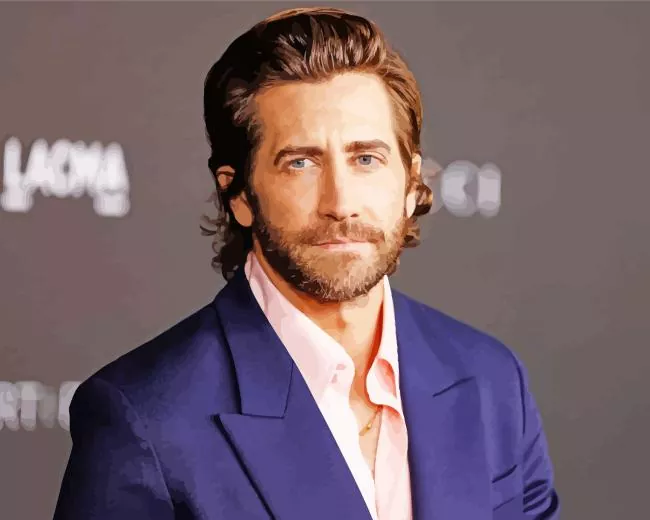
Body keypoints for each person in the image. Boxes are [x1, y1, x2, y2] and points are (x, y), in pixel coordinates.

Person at [53, 7, 560, 520]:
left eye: (366, 159)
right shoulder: (144, 418)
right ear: (238, 194)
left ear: (410, 184)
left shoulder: (492, 382)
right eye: (301, 163)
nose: (340, 203)